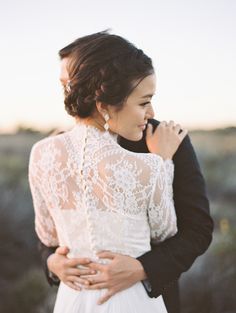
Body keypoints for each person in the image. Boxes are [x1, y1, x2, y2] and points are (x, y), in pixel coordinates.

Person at [31, 31, 213, 312]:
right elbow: (51, 232)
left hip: (146, 296)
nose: (71, 92)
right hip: (77, 298)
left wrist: (143, 269)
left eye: (72, 83)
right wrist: (51, 262)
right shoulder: (52, 150)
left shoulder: (164, 138)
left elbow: (198, 229)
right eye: (66, 85)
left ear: (102, 86)